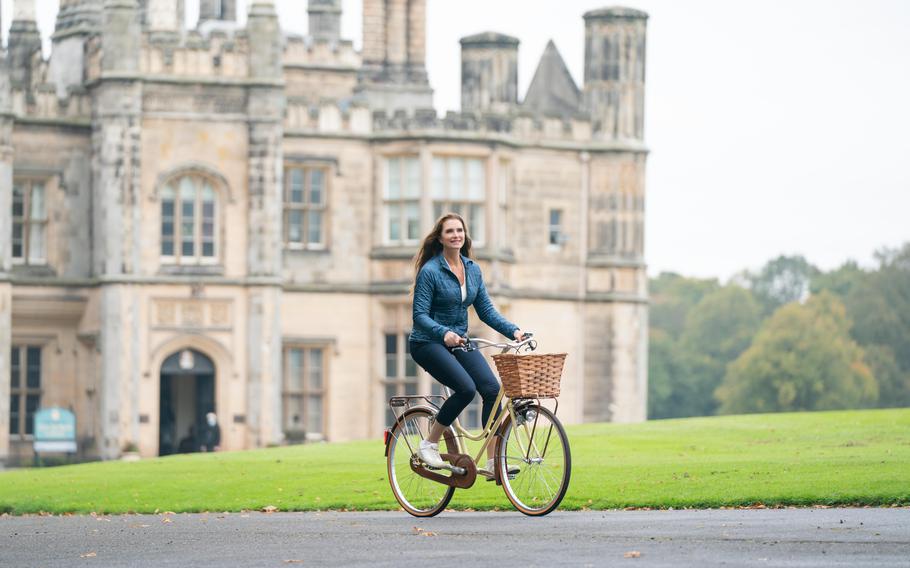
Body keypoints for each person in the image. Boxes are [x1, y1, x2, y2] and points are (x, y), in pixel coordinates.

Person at [409, 213, 523, 478]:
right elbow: (419, 316)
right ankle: (428, 443)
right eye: (450, 231)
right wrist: (443, 332)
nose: (456, 235)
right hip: (427, 342)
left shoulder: (472, 269)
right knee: (465, 389)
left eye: (459, 230)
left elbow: (485, 311)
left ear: (465, 235)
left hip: (459, 341)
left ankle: (495, 462)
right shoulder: (431, 271)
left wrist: (513, 330)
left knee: (492, 390)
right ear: (440, 237)